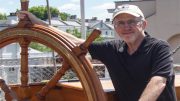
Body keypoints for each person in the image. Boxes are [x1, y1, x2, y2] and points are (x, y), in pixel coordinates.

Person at [17, 4, 177, 101]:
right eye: (120, 23)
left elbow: (158, 82)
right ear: (115, 27)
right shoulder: (113, 49)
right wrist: (36, 22)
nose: (126, 27)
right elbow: (73, 40)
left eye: (132, 22)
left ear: (143, 24)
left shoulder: (159, 47)